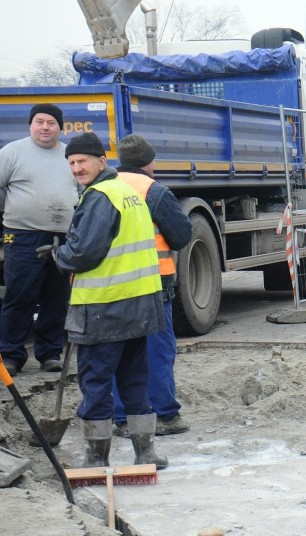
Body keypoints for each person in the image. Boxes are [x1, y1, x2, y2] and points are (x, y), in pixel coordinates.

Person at [42, 132, 168, 469]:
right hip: (139, 305)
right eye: (71, 163)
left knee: (96, 380)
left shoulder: (99, 197)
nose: (76, 168)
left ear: (101, 161)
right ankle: (146, 452)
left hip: (105, 308)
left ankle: (96, 458)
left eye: (82, 161)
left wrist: (58, 255)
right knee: (134, 379)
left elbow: (83, 253)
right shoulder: (127, 192)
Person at [111, 134, 192, 438]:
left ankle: (122, 417)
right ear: (148, 162)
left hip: (114, 286)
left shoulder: (103, 189)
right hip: (154, 284)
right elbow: (182, 235)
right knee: (157, 349)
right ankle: (165, 415)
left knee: (120, 351)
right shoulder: (154, 192)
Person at [0, 104, 79, 376]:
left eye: (51, 123)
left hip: (62, 238)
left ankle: (50, 353)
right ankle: (11, 354)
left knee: (56, 298)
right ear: (30, 125)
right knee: (20, 294)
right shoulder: (12, 153)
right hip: (22, 236)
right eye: (39, 122)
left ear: (60, 127)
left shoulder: (70, 156)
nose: (45, 127)